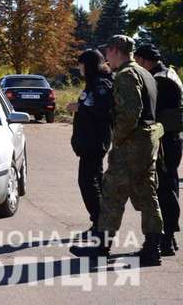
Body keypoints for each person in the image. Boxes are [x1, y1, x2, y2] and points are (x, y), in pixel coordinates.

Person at [71, 36, 164, 266]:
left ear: (114, 50)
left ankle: (102, 248)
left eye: (108, 53)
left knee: (112, 194)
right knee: (147, 194)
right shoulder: (145, 73)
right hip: (148, 141)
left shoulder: (126, 75)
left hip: (132, 143)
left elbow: (130, 114)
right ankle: (153, 248)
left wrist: (118, 139)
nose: (107, 59)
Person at [136, 44, 183, 256]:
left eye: (138, 61)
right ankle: (168, 238)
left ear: (145, 60)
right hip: (170, 139)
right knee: (168, 187)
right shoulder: (169, 73)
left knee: (163, 189)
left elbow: (153, 112)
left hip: (163, 140)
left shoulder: (159, 79)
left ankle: (165, 238)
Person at [68, 49, 113, 234]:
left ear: (89, 65)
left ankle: (100, 224)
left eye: (81, 64)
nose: (79, 68)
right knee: (92, 181)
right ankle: (99, 223)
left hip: (94, 142)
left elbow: (103, 111)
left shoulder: (100, 83)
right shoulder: (93, 83)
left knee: (88, 182)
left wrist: (81, 107)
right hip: (89, 141)